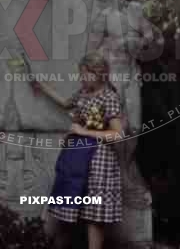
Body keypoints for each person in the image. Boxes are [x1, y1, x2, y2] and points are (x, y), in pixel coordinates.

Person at [31, 50, 124, 249]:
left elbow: (117, 134)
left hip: (99, 161)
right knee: (70, 207)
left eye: (85, 74)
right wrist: (42, 86)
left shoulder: (109, 97)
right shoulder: (83, 93)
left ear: (98, 74)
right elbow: (66, 104)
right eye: (80, 74)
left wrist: (83, 131)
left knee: (93, 216)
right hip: (77, 157)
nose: (81, 78)